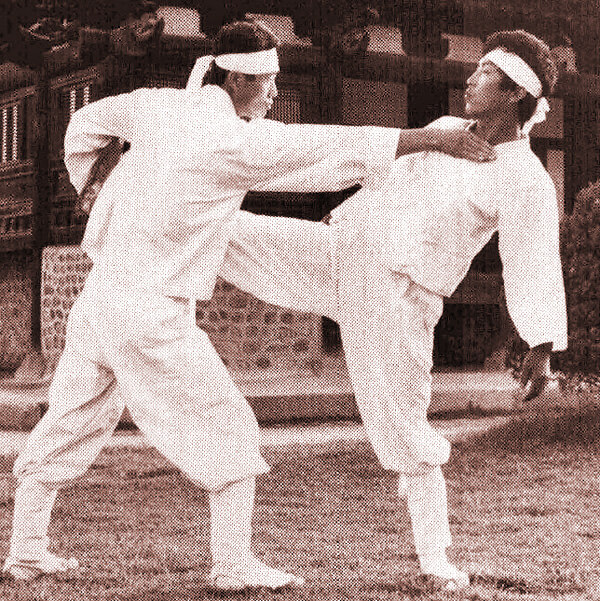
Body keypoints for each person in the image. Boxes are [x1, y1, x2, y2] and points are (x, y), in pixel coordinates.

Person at [2, 20, 494, 591]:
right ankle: (232, 564)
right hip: (151, 315)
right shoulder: (231, 143)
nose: (276, 93)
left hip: (97, 304)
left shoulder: (158, 106)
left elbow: (84, 122)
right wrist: (430, 140)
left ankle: (26, 551)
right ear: (238, 80)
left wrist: (95, 183)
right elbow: (323, 146)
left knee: (68, 421)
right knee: (230, 432)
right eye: (269, 82)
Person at [219, 29, 567, 589]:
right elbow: (377, 172)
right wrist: (347, 208)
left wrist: (541, 342)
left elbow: (532, 260)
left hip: (399, 298)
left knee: (403, 423)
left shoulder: (525, 178)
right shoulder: (443, 130)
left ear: (513, 94)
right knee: (223, 227)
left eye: (484, 74)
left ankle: (435, 558)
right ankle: (141, 228)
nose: (469, 79)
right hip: (345, 253)